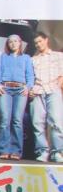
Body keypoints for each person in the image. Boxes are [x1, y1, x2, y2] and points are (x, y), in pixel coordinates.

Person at [0, 34, 34, 160]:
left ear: (20, 42)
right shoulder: (3, 56)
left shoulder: (26, 58)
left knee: (17, 120)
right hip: (5, 89)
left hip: (20, 90)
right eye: (10, 42)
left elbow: (30, 75)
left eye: (15, 41)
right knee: (5, 119)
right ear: (8, 44)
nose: (13, 44)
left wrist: (28, 87)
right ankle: (3, 149)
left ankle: (16, 151)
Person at [29, 32, 63, 162]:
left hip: (53, 90)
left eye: (40, 41)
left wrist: (57, 87)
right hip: (37, 92)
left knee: (56, 122)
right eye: (36, 43)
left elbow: (61, 75)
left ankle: (57, 152)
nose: (38, 44)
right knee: (37, 123)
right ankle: (43, 151)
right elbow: (30, 77)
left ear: (46, 40)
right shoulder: (33, 59)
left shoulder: (58, 56)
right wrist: (31, 90)